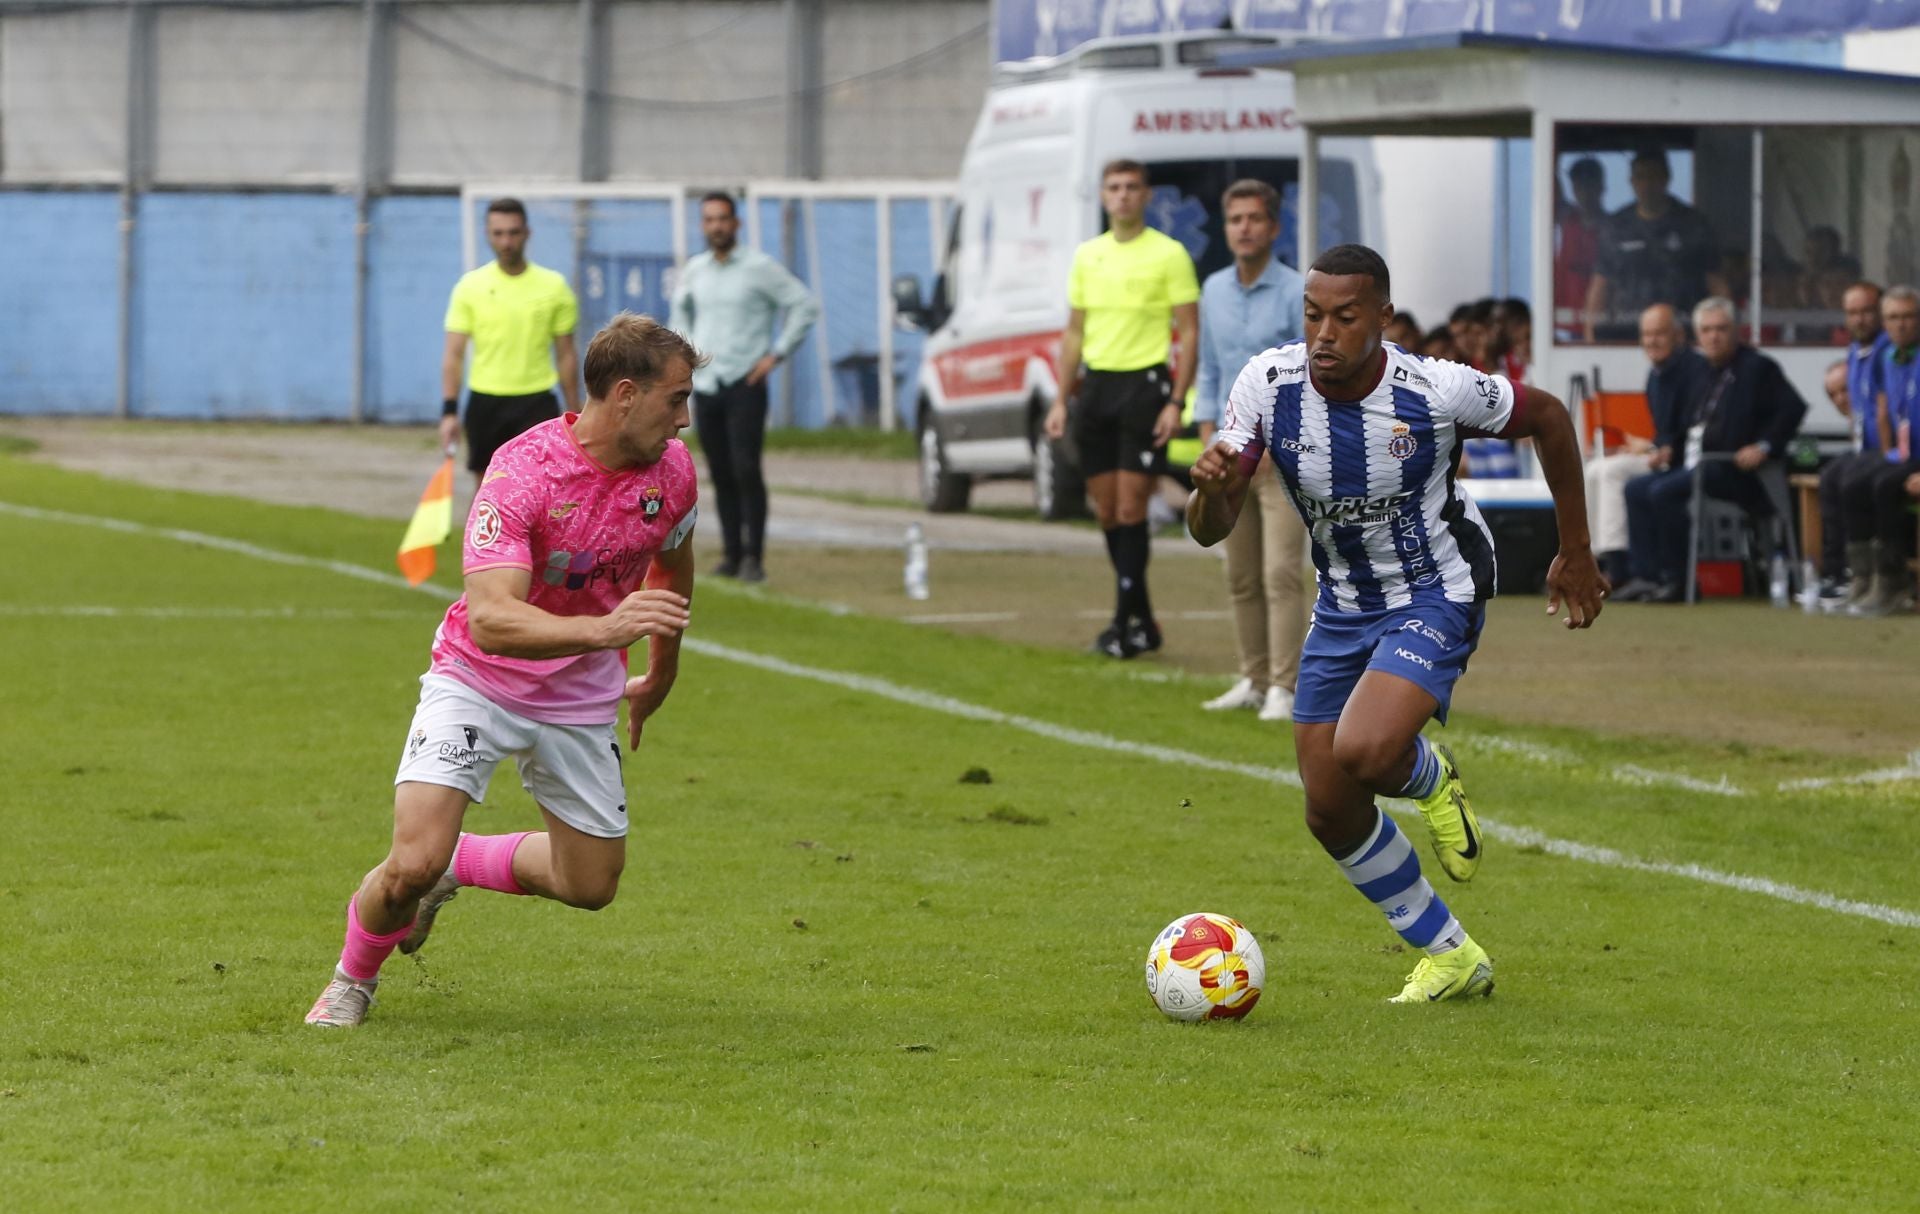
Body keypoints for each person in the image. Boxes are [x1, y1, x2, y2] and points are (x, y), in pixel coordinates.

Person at [1187, 244, 1606, 1004]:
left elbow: (1548, 416)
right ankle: (1451, 956)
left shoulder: (1435, 389)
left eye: (1345, 318)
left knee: (1367, 750)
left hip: (1437, 589)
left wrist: (1574, 549)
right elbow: (1209, 530)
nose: (1324, 334)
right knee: (1328, 805)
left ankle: (1431, 779)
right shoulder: (1267, 385)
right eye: (1313, 315)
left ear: (1383, 317)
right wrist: (1211, 491)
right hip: (1343, 604)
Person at [305, 314, 704, 1028]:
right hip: (478, 681)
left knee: (591, 885)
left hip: (579, 698)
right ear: (625, 395)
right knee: (410, 865)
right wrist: (604, 630)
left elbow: (672, 569)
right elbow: (492, 618)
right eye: (675, 399)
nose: (684, 419)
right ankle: (351, 981)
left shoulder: (672, 472)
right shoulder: (524, 470)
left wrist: (661, 672)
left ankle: (460, 864)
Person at [1044, 159, 1200, 658]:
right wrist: (1060, 399)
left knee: (1133, 507)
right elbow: (1074, 333)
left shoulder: (1169, 254)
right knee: (1108, 511)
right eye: (1114, 187)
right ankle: (1144, 620)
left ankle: (1119, 624)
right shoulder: (1088, 256)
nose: (1123, 195)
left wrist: (1176, 400)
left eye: (1132, 187)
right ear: (1102, 195)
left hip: (1144, 387)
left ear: (1147, 195)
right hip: (1096, 389)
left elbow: (1189, 332)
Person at [1190, 179, 1308, 721]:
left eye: (1254, 218)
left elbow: (1304, 376)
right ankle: (1253, 678)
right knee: (1239, 574)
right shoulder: (1213, 289)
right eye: (1235, 219)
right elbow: (1210, 367)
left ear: (1274, 227)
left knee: (1280, 572)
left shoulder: (1295, 291)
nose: (1244, 228)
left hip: (1280, 456)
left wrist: (1273, 443)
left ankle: (1285, 685)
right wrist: (1207, 433)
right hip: (1227, 453)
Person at [1615, 297, 1808, 603]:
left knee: (1663, 492)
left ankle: (1678, 580)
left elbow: (1792, 409)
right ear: (1697, 335)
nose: (1713, 336)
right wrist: (1667, 449)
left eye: (1721, 329)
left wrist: (1764, 446)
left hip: (1735, 469)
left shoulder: (1757, 367)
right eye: (1706, 330)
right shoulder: (1700, 372)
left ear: (1736, 331)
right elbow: (1687, 426)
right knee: (1635, 489)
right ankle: (1646, 576)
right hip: (1696, 464)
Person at [669, 191, 820, 584]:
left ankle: (754, 555)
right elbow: (680, 316)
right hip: (708, 383)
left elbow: (804, 305)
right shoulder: (696, 270)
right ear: (702, 226)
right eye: (709, 220)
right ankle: (731, 553)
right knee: (719, 471)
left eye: (723, 219)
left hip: (744, 381)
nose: (717, 226)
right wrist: (683, 360)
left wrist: (776, 355)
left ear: (736, 223)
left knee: (746, 468)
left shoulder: (759, 268)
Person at [440, 199, 582, 487]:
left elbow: (566, 355)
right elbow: (454, 354)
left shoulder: (554, 287)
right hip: (485, 401)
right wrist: (449, 412)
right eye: (499, 233)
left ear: (527, 233)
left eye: (513, 232)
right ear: (487, 235)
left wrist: (575, 412)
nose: (506, 242)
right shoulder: (470, 287)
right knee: (487, 488)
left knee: (539, 488)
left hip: (536, 401)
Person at [1584, 304, 1713, 585]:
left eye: (1659, 334)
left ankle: (1619, 568)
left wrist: (1661, 448)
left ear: (1679, 335)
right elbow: (1664, 432)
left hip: (1686, 461)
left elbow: (1695, 427)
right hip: (1662, 456)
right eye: (1646, 334)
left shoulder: (1697, 370)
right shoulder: (1655, 375)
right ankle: (1598, 560)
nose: (1652, 341)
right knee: (1595, 468)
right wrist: (1649, 446)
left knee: (1613, 472)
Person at [1583, 149, 1726, 343]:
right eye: (1641, 177)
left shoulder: (1693, 224)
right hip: (1626, 336)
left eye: (1653, 176)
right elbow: (1599, 286)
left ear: (1666, 178)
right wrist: (1589, 340)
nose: (1647, 184)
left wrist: (1725, 333)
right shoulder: (1616, 227)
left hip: (1683, 337)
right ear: (1632, 181)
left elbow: (1716, 283)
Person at [1841, 284, 1920, 617]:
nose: (1900, 324)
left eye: (1908, 317)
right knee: (1851, 482)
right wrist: (1888, 454)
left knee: (1885, 485)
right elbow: (1884, 409)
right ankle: (1863, 576)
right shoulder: (1888, 357)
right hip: (1904, 453)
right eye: (1893, 318)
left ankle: (1893, 581)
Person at [1816, 281, 1887, 610]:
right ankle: (1836, 573)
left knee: (1852, 480)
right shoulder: (1854, 353)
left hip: (1891, 451)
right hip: (1865, 448)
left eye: (1867, 311)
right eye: (1852, 312)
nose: (1860, 319)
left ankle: (1870, 573)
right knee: (1830, 476)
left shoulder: (1890, 350)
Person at [1554, 157, 1607, 339]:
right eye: (1578, 187)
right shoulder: (1566, 218)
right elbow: (1550, 187)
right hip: (1567, 320)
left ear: (1601, 187)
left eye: (1590, 186)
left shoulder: (1612, 227)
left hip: (1600, 319)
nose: (1584, 193)